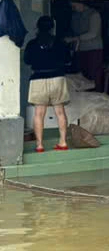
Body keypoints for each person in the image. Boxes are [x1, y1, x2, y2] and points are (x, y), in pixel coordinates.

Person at [24, 16, 70, 153]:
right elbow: (67, 58)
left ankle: (39, 145)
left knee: (39, 113)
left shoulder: (32, 44)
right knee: (60, 112)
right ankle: (62, 142)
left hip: (38, 78)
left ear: (37, 27)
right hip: (57, 78)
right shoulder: (60, 43)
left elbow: (27, 60)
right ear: (52, 27)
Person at [68, 1, 104, 91]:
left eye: (74, 6)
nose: (73, 9)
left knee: (93, 75)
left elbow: (93, 33)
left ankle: (96, 96)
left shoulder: (94, 15)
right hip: (79, 49)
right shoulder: (75, 16)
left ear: (81, 3)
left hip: (93, 49)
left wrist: (75, 38)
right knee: (81, 77)